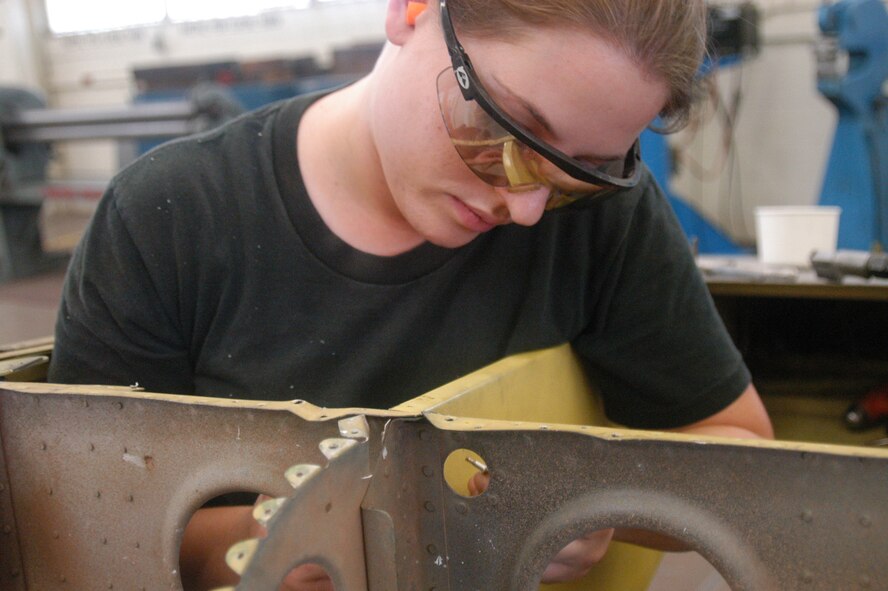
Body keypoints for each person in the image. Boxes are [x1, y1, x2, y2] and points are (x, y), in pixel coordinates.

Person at [47, 0, 774, 589]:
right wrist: (266, 544)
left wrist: (592, 497)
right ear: (412, 9)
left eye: (579, 171)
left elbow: (741, 450)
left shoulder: (603, 222)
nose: (522, 207)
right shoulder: (169, 219)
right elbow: (87, 529)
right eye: (505, 129)